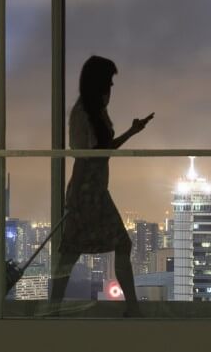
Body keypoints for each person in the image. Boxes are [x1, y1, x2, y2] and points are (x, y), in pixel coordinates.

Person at [49, 55, 153, 317]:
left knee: (72, 251)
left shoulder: (92, 111)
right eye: (109, 81)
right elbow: (92, 153)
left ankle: (53, 308)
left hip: (91, 188)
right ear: (99, 82)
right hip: (89, 189)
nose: (112, 86)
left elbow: (102, 151)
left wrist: (131, 132)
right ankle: (132, 309)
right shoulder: (83, 113)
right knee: (93, 248)